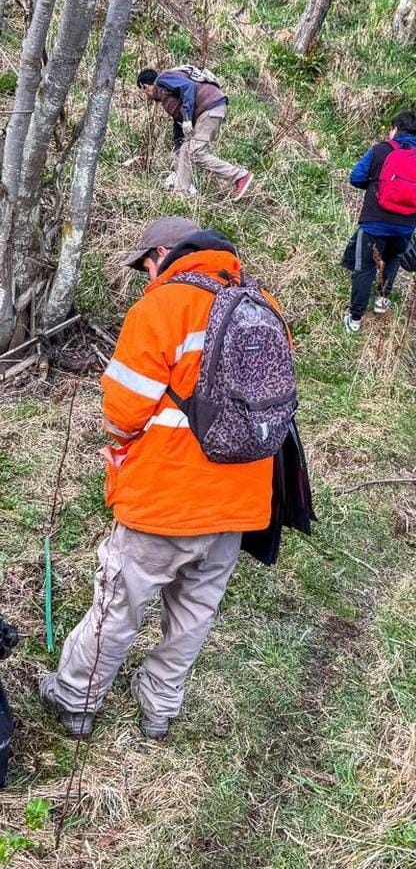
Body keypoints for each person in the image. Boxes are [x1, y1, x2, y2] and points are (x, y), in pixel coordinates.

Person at [39, 217, 279, 741]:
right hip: (241, 498)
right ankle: (160, 706)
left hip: (168, 496)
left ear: (165, 252)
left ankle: (76, 699)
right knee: (195, 609)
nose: (146, 274)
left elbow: (122, 413)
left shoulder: (164, 305)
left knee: (120, 601)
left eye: (146, 263)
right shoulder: (262, 305)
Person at [343, 111, 416, 332]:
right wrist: (411, 203)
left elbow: (355, 177)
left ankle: (355, 319)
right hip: (404, 226)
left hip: (374, 222)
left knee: (365, 268)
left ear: (395, 128)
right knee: (393, 259)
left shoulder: (380, 150)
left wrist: (375, 187)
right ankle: (381, 302)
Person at [137, 67, 254, 200]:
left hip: (209, 108)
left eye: (143, 92)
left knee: (195, 152)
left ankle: (240, 176)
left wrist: (187, 118)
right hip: (210, 109)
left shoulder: (162, 80)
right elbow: (178, 120)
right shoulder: (166, 92)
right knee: (184, 151)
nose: (146, 97)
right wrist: (178, 145)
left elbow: (188, 87)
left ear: (145, 86)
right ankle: (181, 195)